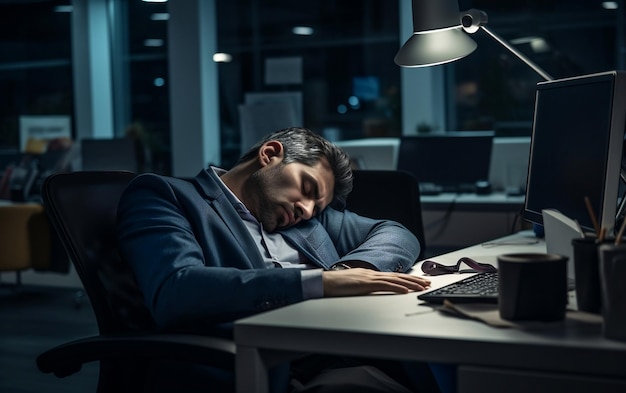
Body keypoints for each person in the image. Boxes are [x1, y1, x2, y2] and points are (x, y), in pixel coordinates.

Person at [116, 127, 437, 393]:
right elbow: (176, 290)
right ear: (270, 154)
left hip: (342, 348)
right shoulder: (167, 196)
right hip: (260, 368)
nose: (308, 209)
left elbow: (396, 233)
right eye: (307, 188)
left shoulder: (309, 220)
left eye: (318, 205)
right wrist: (318, 284)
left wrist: (352, 272)